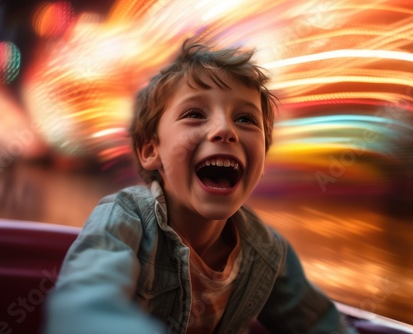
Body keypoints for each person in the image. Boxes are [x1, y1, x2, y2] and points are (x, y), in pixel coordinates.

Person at [44, 40, 356, 334]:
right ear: (151, 150)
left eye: (246, 119)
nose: (225, 129)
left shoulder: (268, 252)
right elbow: (81, 310)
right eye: (195, 114)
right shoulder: (125, 218)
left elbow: (325, 327)